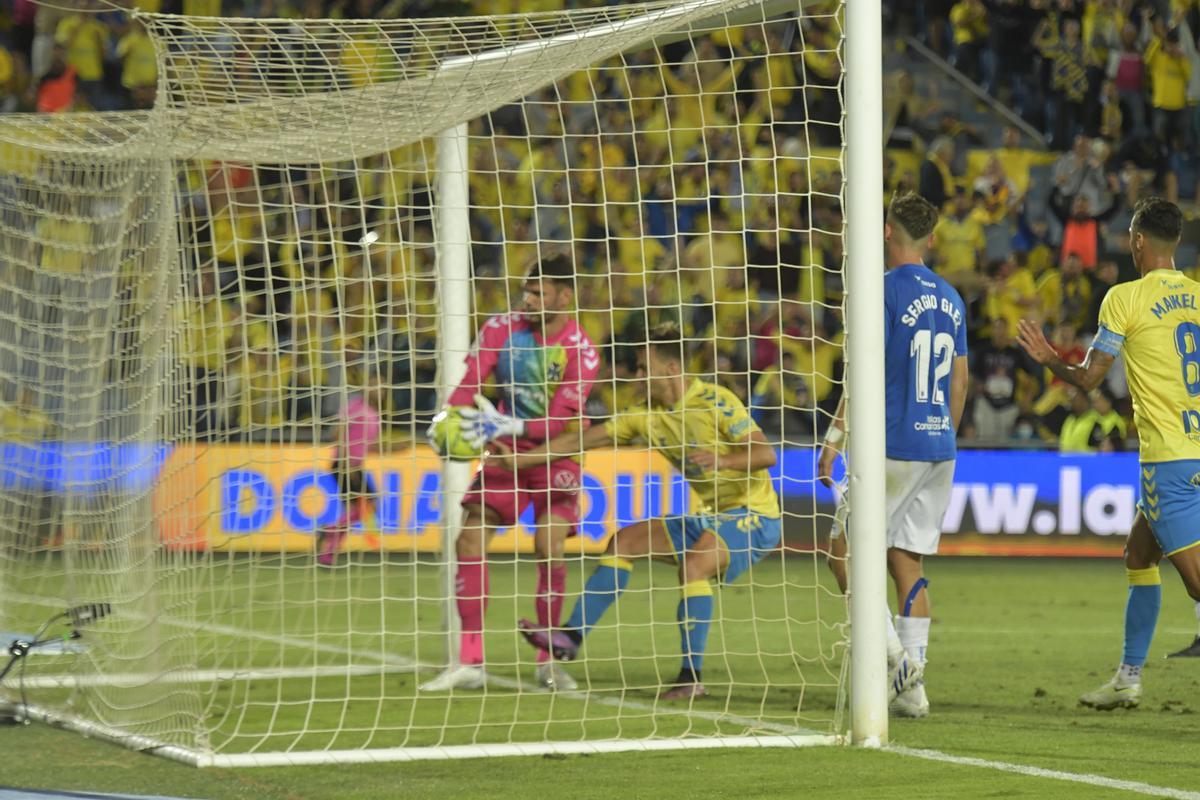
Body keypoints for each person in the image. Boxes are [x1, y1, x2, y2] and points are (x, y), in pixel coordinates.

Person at [508, 323, 781, 700]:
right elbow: (579, 439)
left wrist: (723, 460)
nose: (635, 376)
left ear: (670, 369)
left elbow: (766, 454)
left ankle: (690, 678)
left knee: (695, 564)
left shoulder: (716, 401)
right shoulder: (644, 415)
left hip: (756, 515)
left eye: (641, 367)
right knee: (624, 541)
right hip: (712, 516)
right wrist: (519, 461)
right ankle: (570, 637)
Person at [1015, 197, 1200, 706]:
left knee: (1197, 583)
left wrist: (1050, 358)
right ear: (1176, 242)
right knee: (1139, 553)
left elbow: (1091, 376)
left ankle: (1128, 678)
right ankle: (1128, 678)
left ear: (1138, 241)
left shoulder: (1124, 297)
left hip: (1168, 457)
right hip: (1196, 448)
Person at [819, 192, 969, 718]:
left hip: (891, 444)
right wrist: (943, 435)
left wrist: (834, 440)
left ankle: (895, 658)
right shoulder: (952, 297)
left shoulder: (879, 291)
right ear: (929, 238)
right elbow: (960, 381)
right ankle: (914, 692)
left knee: (843, 551)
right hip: (939, 446)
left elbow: (865, 370)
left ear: (886, 231)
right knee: (906, 559)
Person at [419, 254, 599, 693]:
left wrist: (511, 425)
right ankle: (470, 662)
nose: (529, 298)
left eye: (540, 292)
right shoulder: (502, 327)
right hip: (504, 450)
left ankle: (547, 662)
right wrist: (450, 419)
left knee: (548, 545)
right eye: (528, 290)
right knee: (469, 538)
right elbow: (470, 382)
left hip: (556, 455)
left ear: (565, 297)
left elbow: (560, 421)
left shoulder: (581, 348)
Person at [316, 377, 384, 567]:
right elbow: (338, 433)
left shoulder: (373, 413)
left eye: (382, 387)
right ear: (365, 387)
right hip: (345, 464)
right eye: (374, 385)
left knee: (358, 509)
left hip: (355, 465)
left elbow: (368, 444)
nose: (379, 390)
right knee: (367, 506)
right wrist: (347, 461)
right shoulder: (356, 406)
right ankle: (330, 532)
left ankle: (328, 553)